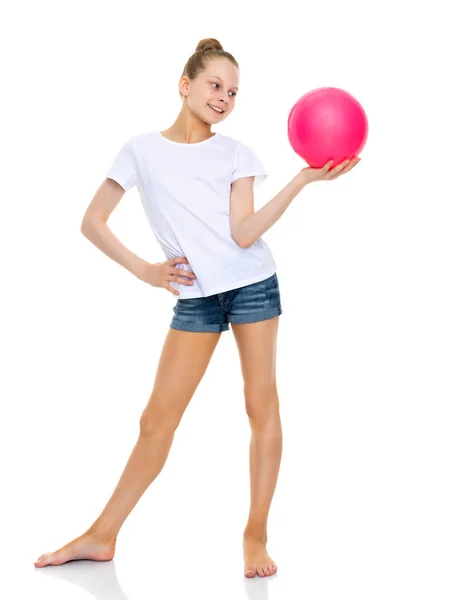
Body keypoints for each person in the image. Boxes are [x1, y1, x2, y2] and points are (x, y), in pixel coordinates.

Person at [34, 38, 359, 577]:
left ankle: (255, 536)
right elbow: (92, 222)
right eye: (215, 85)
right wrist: (146, 270)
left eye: (233, 91)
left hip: (253, 284)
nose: (224, 97)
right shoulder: (140, 149)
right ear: (185, 85)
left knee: (261, 407)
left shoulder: (236, 154)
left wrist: (302, 180)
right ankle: (101, 535)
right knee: (156, 420)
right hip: (194, 297)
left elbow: (244, 231)